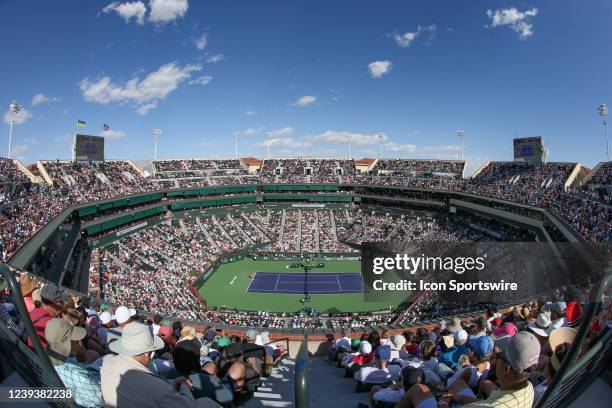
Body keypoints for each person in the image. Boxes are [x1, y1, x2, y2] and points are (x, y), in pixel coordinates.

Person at [100, 321, 221, 407]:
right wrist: (184, 385)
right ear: (148, 354)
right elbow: (186, 405)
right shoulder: (157, 387)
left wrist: (174, 382)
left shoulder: (107, 361)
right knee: (206, 402)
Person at [44, 318, 103, 408]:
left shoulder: (47, 363)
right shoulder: (83, 377)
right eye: (74, 340)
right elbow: (105, 400)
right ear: (67, 343)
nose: (78, 342)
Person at [28, 285, 69, 349]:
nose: (63, 305)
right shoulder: (53, 323)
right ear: (54, 302)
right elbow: (63, 342)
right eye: (61, 302)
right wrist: (69, 329)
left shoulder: (34, 311)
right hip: (42, 356)